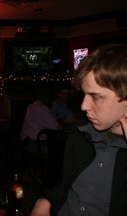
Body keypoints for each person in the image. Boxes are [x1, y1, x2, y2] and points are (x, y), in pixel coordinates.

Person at [30, 43, 127, 216]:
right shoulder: (80, 131)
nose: (83, 106)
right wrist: (46, 200)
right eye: (84, 94)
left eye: (96, 97)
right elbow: (66, 183)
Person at [20, 88, 62, 154]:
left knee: (57, 148)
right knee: (59, 150)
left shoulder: (35, 106)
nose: (52, 100)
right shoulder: (40, 108)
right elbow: (55, 127)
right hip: (32, 143)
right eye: (50, 97)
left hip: (27, 141)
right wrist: (62, 123)